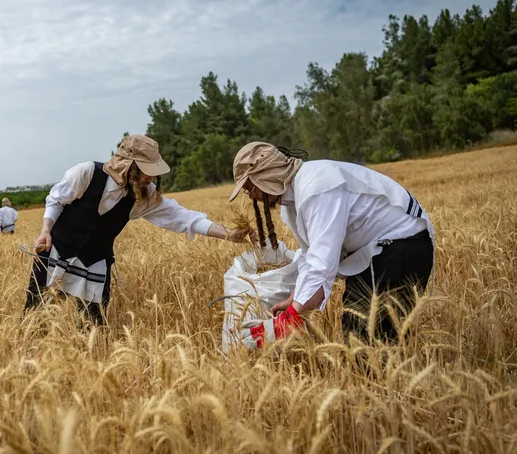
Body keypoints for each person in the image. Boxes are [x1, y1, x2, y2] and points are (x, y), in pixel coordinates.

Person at [25, 134, 255, 325]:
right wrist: (45, 230)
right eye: (146, 170)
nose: (151, 176)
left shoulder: (143, 195)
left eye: (154, 170)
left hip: (95, 262)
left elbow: (182, 217)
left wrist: (229, 234)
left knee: (93, 325)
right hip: (56, 253)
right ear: (128, 165)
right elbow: (56, 200)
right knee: (36, 316)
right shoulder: (86, 173)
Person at [230, 142, 435, 348]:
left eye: (250, 188)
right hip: (375, 253)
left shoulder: (316, 188)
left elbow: (322, 265)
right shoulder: (293, 201)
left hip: (401, 246)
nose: (252, 196)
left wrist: (289, 320)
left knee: (367, 339)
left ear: (267, 175)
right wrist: (294, 300)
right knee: (366, 336)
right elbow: (311, 256)